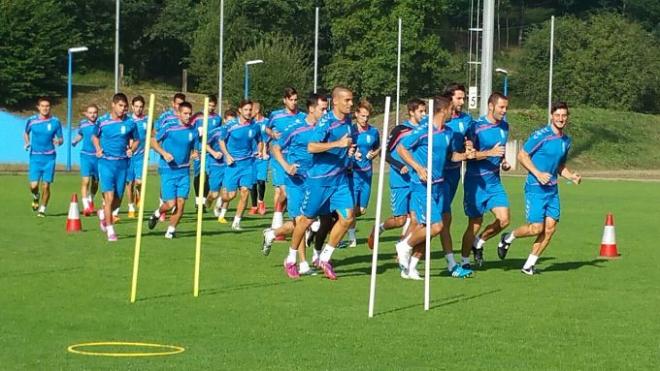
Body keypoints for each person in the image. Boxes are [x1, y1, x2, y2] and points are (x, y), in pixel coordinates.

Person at [497, 102, 581, 275]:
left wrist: (571, 176)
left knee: (550, 229)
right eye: (557, 115)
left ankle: (529, 265)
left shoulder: (566, 141)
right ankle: (508, 237)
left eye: (564, 115)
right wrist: (538, 173)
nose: (561, 119)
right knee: (536, 228)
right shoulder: (541, 135)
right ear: (551, 115)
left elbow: (559, 166)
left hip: (552, 190)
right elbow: (522, 155)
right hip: (535, 188)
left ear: (567, 117)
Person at [395, 96, 474, 280]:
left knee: (431, 226)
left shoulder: (447, 132)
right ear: (443, 110)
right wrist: (418, 167)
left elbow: (450, 156)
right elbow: (401, 149)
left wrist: (465, 156)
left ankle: (411, 268)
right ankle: (404, 246)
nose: (453, 113)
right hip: (422, 186)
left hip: (440, 185)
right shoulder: (423, 130)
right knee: (436, 226)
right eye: (451, 109)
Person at [282, 86, 356, 280]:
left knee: (348, 218)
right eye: (347, 100)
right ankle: (290, 259)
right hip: (319, 180)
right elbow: (311, 147)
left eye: (351, 100)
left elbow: (347, 144)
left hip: (339, 180)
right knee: (305, 221)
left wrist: (349, 152)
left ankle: (324, 257)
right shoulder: (326, 122)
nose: (351, 103)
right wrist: (337, 144)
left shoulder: (348, 122)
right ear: (336, 101)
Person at [262, 93, 329, 276]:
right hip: (295, 181)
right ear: (312, 109)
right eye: (323, 109)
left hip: (315, 181)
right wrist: (286, 166)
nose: (326, 112)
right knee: (301, 221)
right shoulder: (296, 128)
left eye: (327, 109)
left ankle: (272, 234)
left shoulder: (326, 129)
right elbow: (274, 147)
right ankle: (303, 264)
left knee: (304, 222)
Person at [460, 92, 511, 268]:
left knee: (504, 220)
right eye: (501, 107)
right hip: (475, 183)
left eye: (506, 107)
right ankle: (465, 261)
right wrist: (489, 153)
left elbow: (500, 152)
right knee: (475, 223)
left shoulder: (505, 127)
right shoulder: (476, 127)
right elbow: (468, 155)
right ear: (491, 106)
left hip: (494, 182)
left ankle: (479, 242)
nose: (504, 111)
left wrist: (503, 162)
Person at [367, 98, 426, 249]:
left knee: (415, 218)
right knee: (400, 220)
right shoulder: (400, 130)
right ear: (411, 112)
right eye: (421, 111)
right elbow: (384, 154)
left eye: (425, 111)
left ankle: (402, 249)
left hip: (417, 180)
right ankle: (379, 228)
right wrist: (400, 166)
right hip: (400, 180)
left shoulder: (425, 130)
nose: (424, 114)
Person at [147, 102, 199, 238]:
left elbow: (194, 149)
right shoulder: (169, 128)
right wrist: (163, 153)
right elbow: (153, 142)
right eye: (185, 113)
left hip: (184, 171)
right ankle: (157, 213)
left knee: (181, 204)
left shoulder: (193, 130)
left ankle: (170, 231)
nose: (188, 116)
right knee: (170, 204)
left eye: (190, 114)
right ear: (179, 114)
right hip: (168, 170)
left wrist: (194, 154)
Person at [439, 84, 475, 274]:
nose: (462, 102)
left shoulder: (466, 119)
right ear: (449, 98)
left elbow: (469, 137)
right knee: (443, 218)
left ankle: (408, 247)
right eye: (459, 98)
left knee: (440, 219)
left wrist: (469, 145)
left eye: (464, 98)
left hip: (454, 173)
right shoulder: (439, 120)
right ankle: (451, 263)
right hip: (439, 173)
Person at [93, 93, 139, 241]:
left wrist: (132, 149)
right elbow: (94, 136)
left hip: (123, 164)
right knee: (109, 197)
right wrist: (98, 148)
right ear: (113, 105)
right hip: (106, 163)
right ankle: (110, 230)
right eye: (120, 106)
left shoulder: (130, 123)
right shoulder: (102, 121)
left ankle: (103, 214)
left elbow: (137, 140)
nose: (123, 109)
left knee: (117, 200)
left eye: (125, 106)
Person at [266, 88, 306, 233]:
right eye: (291, 100)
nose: (294, 103)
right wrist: (272, 134)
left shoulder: (303, 117)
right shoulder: (276, 116)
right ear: (285, 100)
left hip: (296, 159)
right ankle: (279, 225)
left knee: (291, 193)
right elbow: (267, 128)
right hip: (279, 158)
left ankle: (279, 217)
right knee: (285, 190)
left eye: (296, 100)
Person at [219, 100, 262, 231]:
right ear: (240, 110)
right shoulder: (230, 125)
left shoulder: (255, 126)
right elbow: (221, 141)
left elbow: (259, 140)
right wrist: (227, 155)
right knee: (230, 196)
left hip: (248, 164)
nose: (249, 112)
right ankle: (221, 200)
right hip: (233, 164)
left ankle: (236, 222)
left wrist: (259, 151)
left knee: (245, 192)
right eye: (246, 110)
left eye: (250, 110)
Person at [344, 100, 380, 247]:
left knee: (362, 210)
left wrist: (374, 153)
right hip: (352, 174)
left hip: (367, 175)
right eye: (362, 116)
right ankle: (351, 238)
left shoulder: (374, 132)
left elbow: (378, 148)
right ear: (356, 114)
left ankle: (339, 220)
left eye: (367, 116)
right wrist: (352, 155)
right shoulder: (350, 131)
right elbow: (343, 151)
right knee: (351, 208)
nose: (365, 119)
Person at [23, 97, 63, 217]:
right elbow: (26, 132)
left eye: (47, 106)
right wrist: (27, 142)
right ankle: (36, 196)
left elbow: (61, 138)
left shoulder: (55, 122)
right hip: (35, 157)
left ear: (50, 108)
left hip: (49, 158)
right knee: (33, 185)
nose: (45, 108)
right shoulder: (31, 120)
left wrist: (59, 141)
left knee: (46, 185)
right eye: (43, 106)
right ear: (38, 107)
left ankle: (42, 209)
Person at [191, 95, 222, 210]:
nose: (211, 108)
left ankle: (203, 201)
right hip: (199, 150)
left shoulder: (218, 119)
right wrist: (193, 150)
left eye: (213, 106)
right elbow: (191, 133)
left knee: (209, 176)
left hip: (211, 152)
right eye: (209, 105)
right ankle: (197, 200)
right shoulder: (197, 117)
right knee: (198, 175)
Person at [72, 104, 99, 216]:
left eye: (95, 112)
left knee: (96, 182)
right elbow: (80, 134)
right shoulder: (83, 124)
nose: (92, 115)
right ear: (86, 114)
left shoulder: (101, 124)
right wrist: (75, 141)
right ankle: (86, 206)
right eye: (90, 112)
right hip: (85, 156)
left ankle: (90, 199)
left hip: (98, 156)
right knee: (86, 181)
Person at [125, 96, 148, 218]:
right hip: (129, 156)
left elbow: (152, 136)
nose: (138, 109)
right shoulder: (127, 121)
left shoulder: (147, 120)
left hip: (141, 156)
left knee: (139, 182)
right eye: (136, 106)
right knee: (129, 183)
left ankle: (139, 194)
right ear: (132, 107)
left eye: (141, 107)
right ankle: (130, 207)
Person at [215, 109, 237, 223]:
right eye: (228, 121)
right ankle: (214, 201)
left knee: (230, 192)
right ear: (224, 120)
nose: (231, 124)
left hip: (232, 165)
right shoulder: (219, 132)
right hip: (219, 165)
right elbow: (206, 143)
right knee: (215, 192)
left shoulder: (236, 132)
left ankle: (222, 215)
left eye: (233, 121)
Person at [250, 102, 269, 215]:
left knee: (261, 181)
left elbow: (269, 137)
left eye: (251, 110)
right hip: (252, 156)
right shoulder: (250, 123)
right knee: (253, 182)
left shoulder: (266, 122)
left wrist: (265, 150)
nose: (249, 112)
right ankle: (253, 206)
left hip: (263, 156)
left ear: (256, 110)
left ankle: (261, 202)